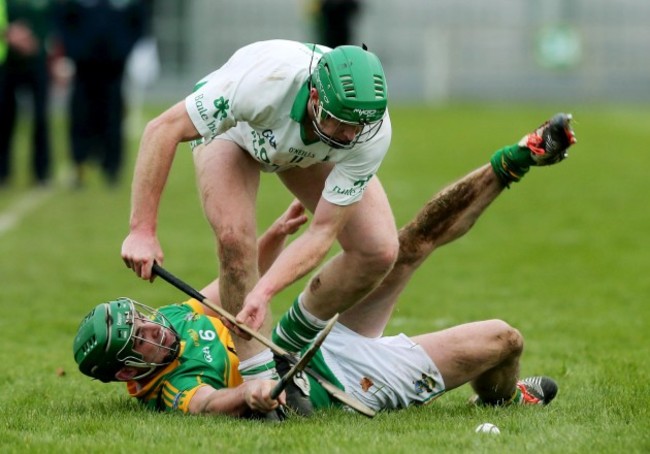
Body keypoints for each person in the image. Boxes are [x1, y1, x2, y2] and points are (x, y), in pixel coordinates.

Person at [75, 113, 577, 418]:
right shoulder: (169, 389)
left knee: (400, 247)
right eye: (138, 338)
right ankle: (502, 400)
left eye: (140, 318)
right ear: (126, 372)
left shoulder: (174, 320)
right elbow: (210, 403)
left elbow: (225, 290)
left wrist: (273, 236)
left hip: (300, 336)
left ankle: (519, 156)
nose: (151, 329)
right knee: (504, 340)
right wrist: (251, 397)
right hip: (338, 383)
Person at [120, 39, 399, 385]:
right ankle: (258, 377)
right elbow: (162, 129)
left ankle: (292, 344)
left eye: (357, 127)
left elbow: (322, 231)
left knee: (378, 249)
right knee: (235, 238)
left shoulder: (367, 131)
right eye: (339, 121)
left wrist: (263, 292)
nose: (348, 135)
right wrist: (142, 230)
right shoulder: (262, 84)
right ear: (315, 97)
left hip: (307, 148)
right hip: (235, 133)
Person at [54, 0, 148, 187]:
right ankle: (79, 166)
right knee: (80, 119)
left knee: (113, 119)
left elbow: (139, 21)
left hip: (113, 68)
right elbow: (63, 20)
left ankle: (112, 169)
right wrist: (75, 51)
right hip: (83, 68)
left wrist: (122, 49)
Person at [0, 0, 55, 187]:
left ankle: (42, 172)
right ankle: (3, 172)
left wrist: (37, 41)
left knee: (41, 118)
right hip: (7, 62)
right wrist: (10, 34)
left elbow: (54, 21)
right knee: (4, 118)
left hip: (37, 61)